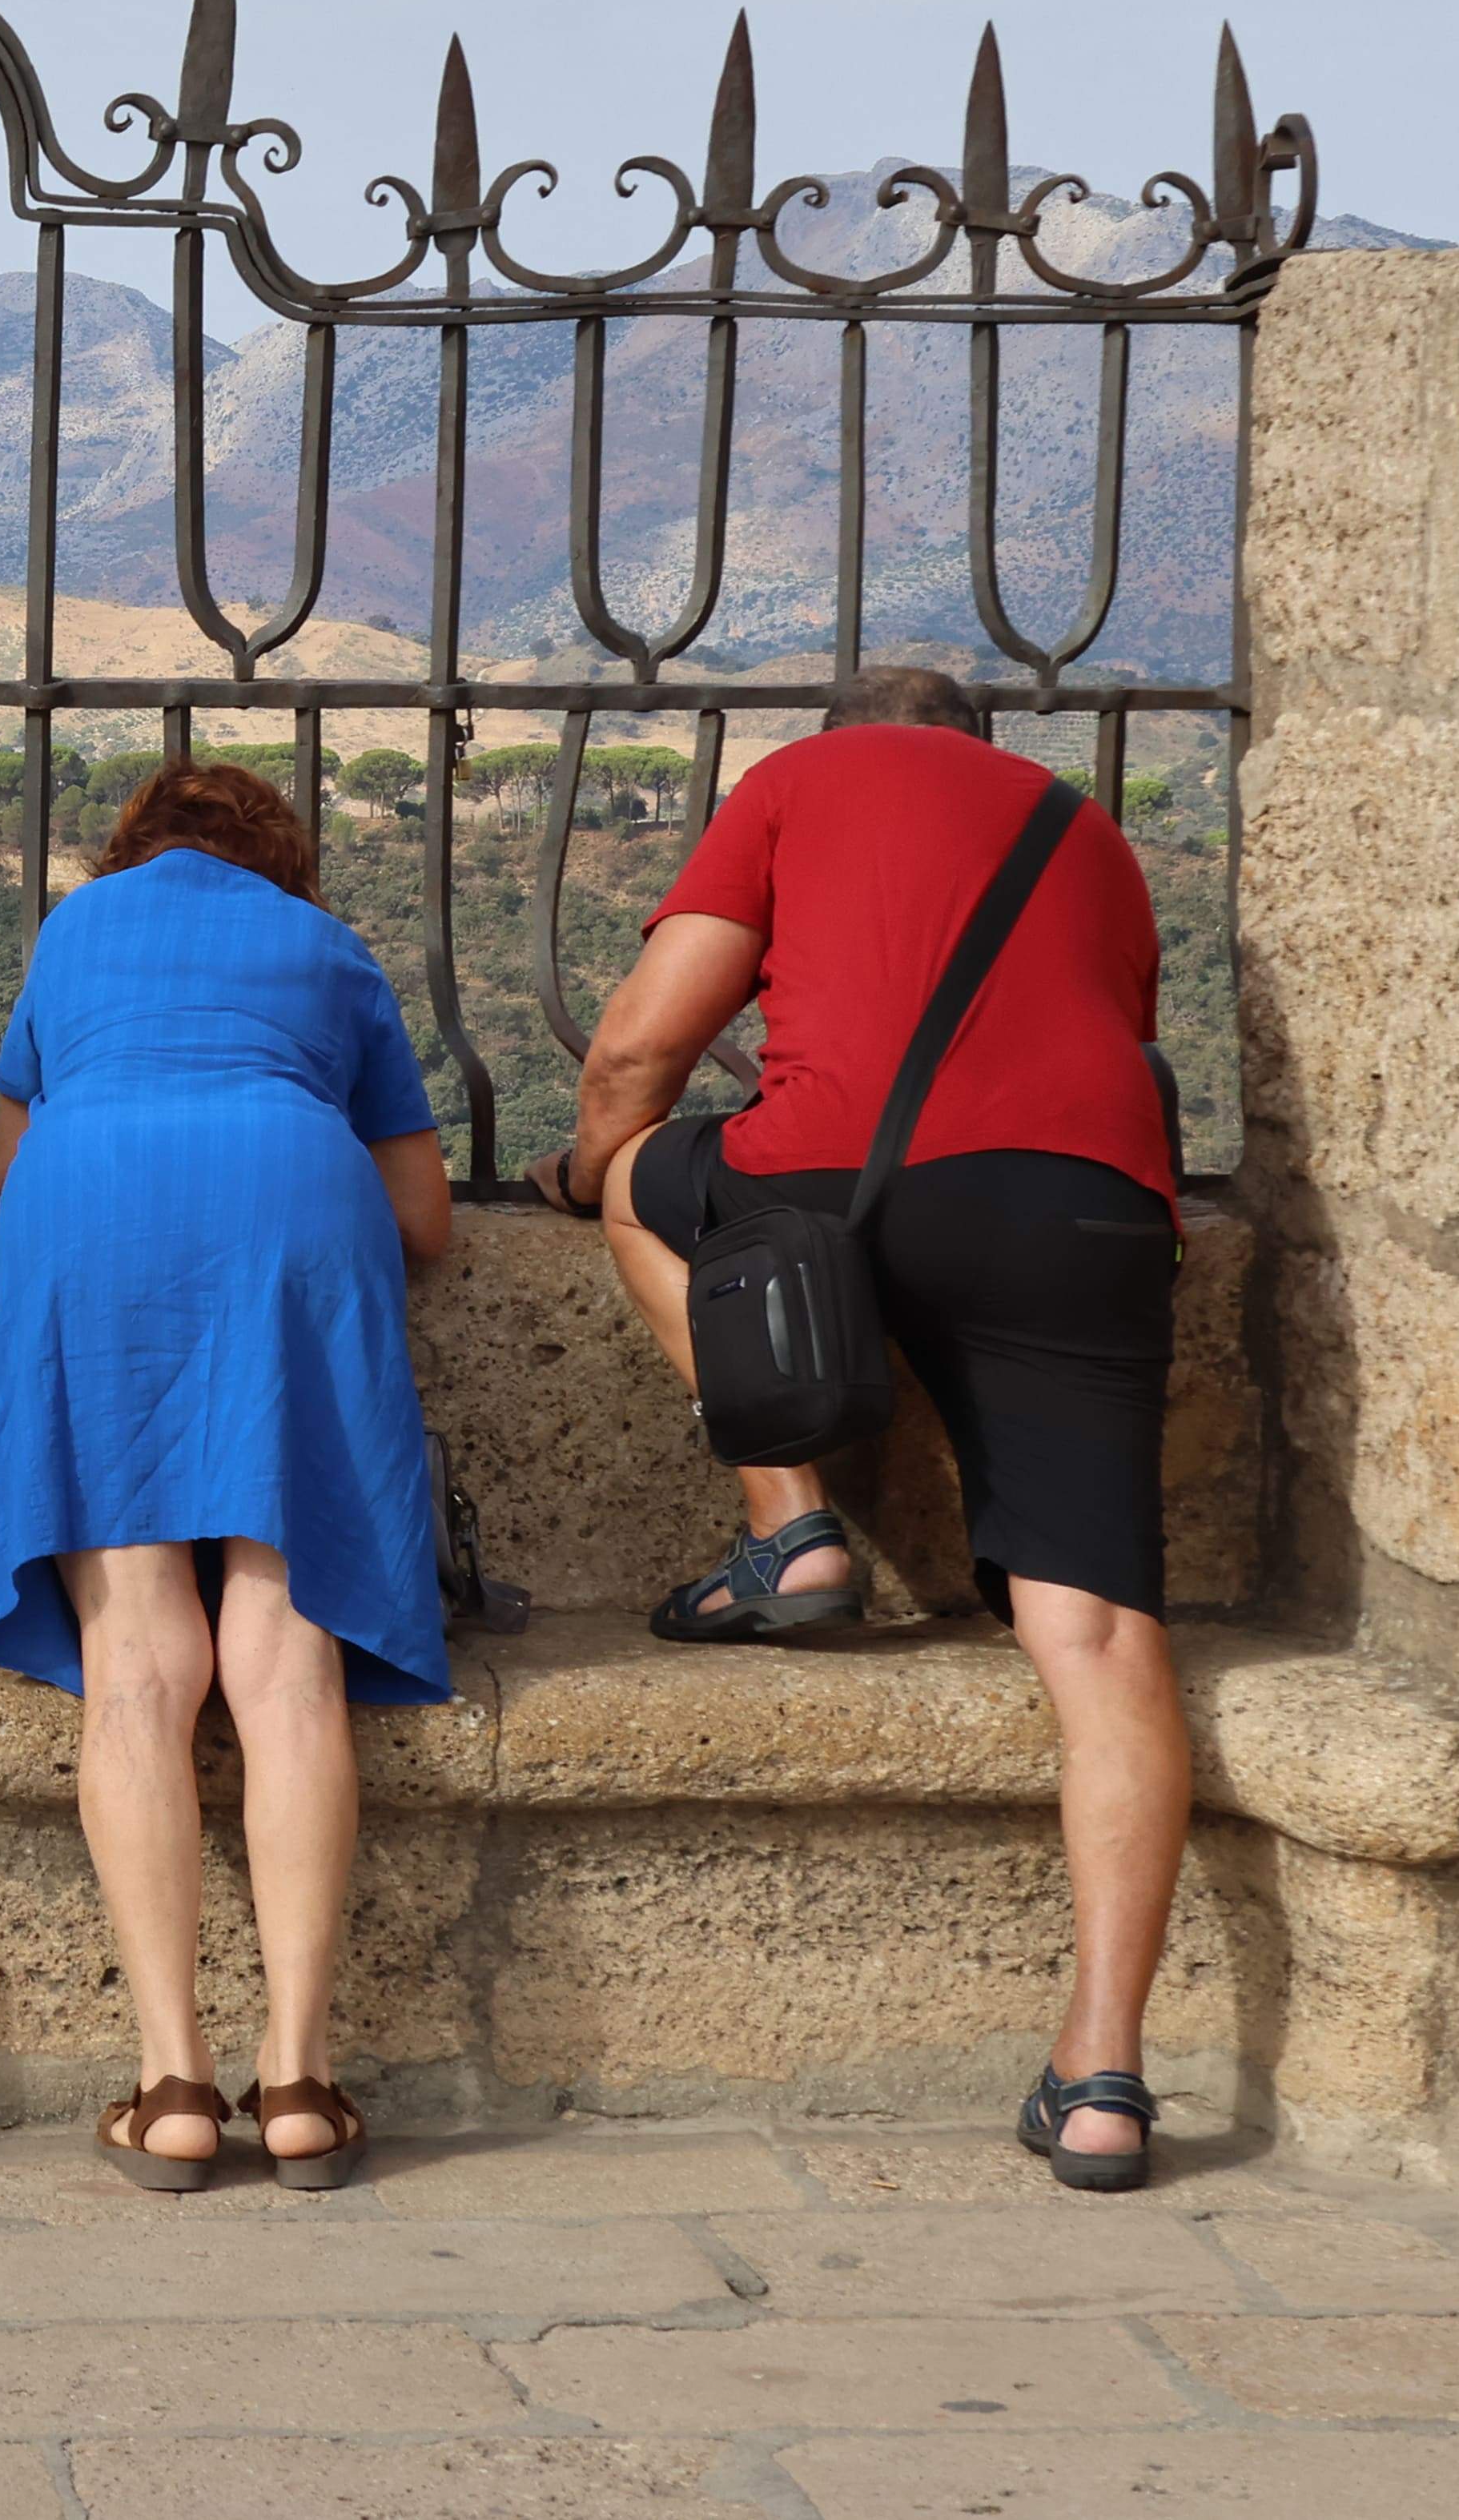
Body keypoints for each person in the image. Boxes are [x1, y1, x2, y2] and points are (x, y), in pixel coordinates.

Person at [523, 661, 1191, 2189]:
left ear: (845, 734)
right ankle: (1102, 2074)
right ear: (981, 743)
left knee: (639, 1188)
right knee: (1102, 1642)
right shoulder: (1084, 827)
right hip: (1086, 1209)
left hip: (834, 1177)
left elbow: (638, 1049)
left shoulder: (796, 783)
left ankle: (792, 1527)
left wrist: (594, 1160)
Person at [0, 762, 461, 2189]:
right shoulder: (328, 946)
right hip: (291, 1213)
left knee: (133, 1660)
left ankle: (172, 2082)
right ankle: (299, 2076)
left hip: (94, 1216)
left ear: (131, 851)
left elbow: (16, 1155)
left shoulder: (73, 931)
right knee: (289, 1656)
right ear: (281, 860)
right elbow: (425, 1217)